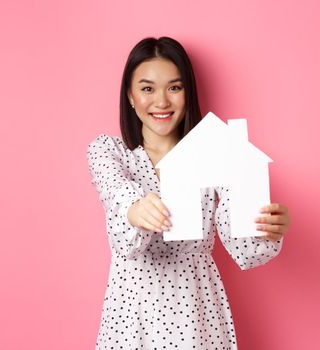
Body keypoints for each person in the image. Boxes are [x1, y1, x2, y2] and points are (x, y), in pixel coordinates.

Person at [87, 36, 291, 349]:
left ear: (187, 93)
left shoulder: (214, 152)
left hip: (194, 310)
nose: (161, 102)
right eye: (147, 88)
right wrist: (135, 210)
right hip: (132, 314)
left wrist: (266, 229)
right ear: (130, 95)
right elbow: (115, 193)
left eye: (174, 87)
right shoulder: (109, 151)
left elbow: (245, 246)